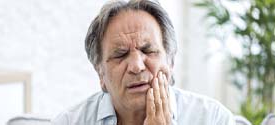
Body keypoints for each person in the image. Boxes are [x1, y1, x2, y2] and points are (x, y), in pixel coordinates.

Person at [52, 0, 236, 125]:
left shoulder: (213, 118)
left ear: (170, 61)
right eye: (120, 55)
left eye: (148, 51)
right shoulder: (70, 121)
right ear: (100, 73)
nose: (136, 66)